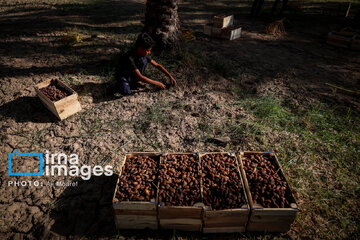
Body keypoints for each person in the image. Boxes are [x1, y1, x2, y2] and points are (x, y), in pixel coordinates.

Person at [110, 33, 176, 95]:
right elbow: (140, 77)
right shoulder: (129, 58)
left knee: (144, 61)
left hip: (132, 76)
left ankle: (132, 83)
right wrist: (157, 83)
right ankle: (115, 85)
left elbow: (157, 65)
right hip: (123, 76)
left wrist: (169, 76)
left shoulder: (143, 56)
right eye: (148, 50)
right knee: (126, 91)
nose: (149, 52)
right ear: (140, 49)